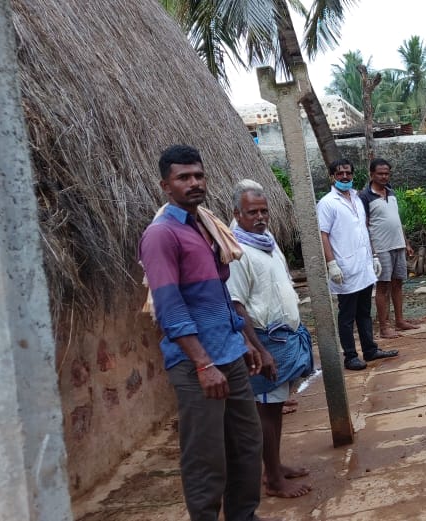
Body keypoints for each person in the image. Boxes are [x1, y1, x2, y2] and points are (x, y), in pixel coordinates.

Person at [138, 144, 279, 521]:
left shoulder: (205, 225)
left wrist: (245, 340)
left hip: (229, 355)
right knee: (206, 457)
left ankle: (243, 515)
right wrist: (203, 363)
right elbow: (169, 307)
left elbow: (219, 295)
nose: (194, 183)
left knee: (247, 446)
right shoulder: (161, 235)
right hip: (196, 364)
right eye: (184, 177)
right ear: (166, 186)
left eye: (198, 175)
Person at [226, 180, 314, 499]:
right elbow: (236, 304)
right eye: (252, 212)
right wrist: (260, 350)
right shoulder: (236, 250)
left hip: (282, 336)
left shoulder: (265, 239)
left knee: (275, 407)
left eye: (264, 211)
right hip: (265, 339)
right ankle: (274, 479)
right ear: (237, 213)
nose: (260, 217)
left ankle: (275, 466)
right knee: (265, 411)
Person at [317, 159, 399, 371]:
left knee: (364, 311)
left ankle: (369, 349)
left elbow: (364, 229)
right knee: (347, 315)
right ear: (332, 177)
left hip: (363, 264)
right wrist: (332, 264)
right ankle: (350, 356)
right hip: (344, 267)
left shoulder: (357, 198)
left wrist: (373, 256)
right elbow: (323, 235)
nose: (344, 177)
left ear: (353, 175)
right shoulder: (327, 203)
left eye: (348, 173)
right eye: (340, 174)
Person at [359, 158, 418, 339]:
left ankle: (399, 320)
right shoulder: (365, 196)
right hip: (381, 247)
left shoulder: (391, 193)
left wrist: (406, 242)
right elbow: (364, 224)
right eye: (380, 173)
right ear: (372, 174)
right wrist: (372, 251)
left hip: (398, 244)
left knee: (398, 283)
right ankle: (384, 326)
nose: (384, 176)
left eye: (387, 173)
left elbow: (396, 220)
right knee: (383, 286)